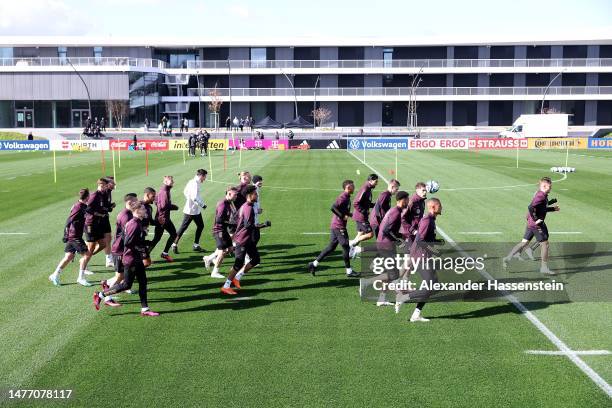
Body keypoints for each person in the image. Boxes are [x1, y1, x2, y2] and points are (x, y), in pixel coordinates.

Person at [93, 201, 160, 316]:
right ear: (137, 211)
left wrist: (144, 243)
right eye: (144, 209)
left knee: (143, 282)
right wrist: (142, 246)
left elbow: (128, 238)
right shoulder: (134, 224)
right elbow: (128, 242)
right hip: (131, 259)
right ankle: (100, 295)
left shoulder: (136, 222)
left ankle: (145, 309)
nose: (146, 211)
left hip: (136, 258)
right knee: (126, 285)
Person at [395, 198, 445, 322]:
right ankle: (403, 297)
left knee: (435, 286)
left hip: (424, 256)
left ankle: (416, 314)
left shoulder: (431, 220)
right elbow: (420, 241)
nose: (442, 207)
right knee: (431, 286)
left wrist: (437, 242)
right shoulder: (427, 220)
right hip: (420, 257)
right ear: (433, 207)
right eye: (440, 205)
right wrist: (435, 251)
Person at [361, 191, 410, 306]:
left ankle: (381, 298)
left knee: (390, 273)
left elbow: (391, 230)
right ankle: (366, 282)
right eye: (407, 200)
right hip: (386, 245)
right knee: (394, 274)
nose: (408, 202)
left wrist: (401, 236)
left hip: (386, 244)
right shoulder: (396, 213)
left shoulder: (395, 211)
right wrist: (398, 241)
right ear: (402, 200)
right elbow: (387, 230)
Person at [503, 177, 560, 274]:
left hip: (531, 223)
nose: (551, 188)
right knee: (545, 244)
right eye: (549, 186)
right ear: (544, 186)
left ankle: (508, 258)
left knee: (524, 243)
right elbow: (531, 207)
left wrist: (552, 209)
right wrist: (536, 219)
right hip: (536, 224)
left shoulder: (542, 194)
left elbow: (541, 208)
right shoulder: (541, 196)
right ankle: (544, 268)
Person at [220, 185, 271, 295]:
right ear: (249, 195)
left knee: (256, 259)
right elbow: (248, 225)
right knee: (238, 263)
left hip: (248, 239)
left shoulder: (246, 206)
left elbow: (235, 218)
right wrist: (263, 225)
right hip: (242, 240)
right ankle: (226, 286)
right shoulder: (248, 208)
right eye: (255, 194)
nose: (257, 195)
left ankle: (237, 277)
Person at [308, 180, 359, 277]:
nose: (354, 188)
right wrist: (342, 216)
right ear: (348, 187)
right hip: (339, 226)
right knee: (346, 247)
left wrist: (353, 215)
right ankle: (349, 271)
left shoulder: (347, 197)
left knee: (331, 247)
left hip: (335, 225)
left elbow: (343, 210)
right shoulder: (343, 197)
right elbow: (333, 207)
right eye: (353, 186)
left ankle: (313, 264)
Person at [49, 188, 94, 287]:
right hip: (74, 236)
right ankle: (81, 278)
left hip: (74, 235)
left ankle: (55, 275)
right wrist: (66, 234)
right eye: (89, 195)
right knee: (87, 255)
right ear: (87, 197)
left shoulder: (82, 206)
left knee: (68, 257)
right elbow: (69, 220)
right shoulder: (78, 207)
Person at [100, 193, 139, 303]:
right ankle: (106, 296)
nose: (138, 203)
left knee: (122, 276)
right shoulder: (125, 216)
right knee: (119, 277)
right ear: (130, 202)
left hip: (121, 248)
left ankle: (108, 283)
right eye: (135, 201)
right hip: (120, 250)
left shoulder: (128, 213)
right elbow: (127, 236)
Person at [203, 186, 238, 279]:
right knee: (222, 252)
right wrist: (232, 223)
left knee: (230, 249)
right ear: (229, 194)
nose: (236, 197)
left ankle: (209, 258)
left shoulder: (229, 203)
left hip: (224, 230)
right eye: (235, 195)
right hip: (218, 231)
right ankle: (215, 272)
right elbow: (219, 220)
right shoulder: (223, 204)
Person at [171, 169, 208, 254]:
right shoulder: (195, 183)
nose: (205, 179)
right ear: (201, 176)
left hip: (193, 209)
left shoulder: (192, 181)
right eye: (205, 177)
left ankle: (195, 245)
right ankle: (174, 244)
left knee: (199, 226)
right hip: (191, 210)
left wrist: (189, 199)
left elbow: (185, 192)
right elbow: (194, 197)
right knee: (184, 227)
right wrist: (203, 205)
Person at [349, 174, 379, 258]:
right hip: (361, 217)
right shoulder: (365, 188)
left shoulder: (369, 188)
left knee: (360, 234)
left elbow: (366, 203)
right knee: (370, 234)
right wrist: (364, 211)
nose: (377, 183)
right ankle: (351, 243)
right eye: (376, 181)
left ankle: (350, 253)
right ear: (370, 180)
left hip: (361, 216)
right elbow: (355, 202)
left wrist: (375, 205)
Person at [149, 176, 179, 262]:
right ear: (165, 182)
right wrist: (174, 207)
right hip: (163, 219)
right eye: (171, 182)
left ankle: (146, 255)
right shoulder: (164, 191)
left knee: (157, 238)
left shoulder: (164, 190)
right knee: (173, 234)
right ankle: (163, 254)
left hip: (162, 217)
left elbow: (156, 201)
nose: (173, 183)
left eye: (173, 181)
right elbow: (163, 206)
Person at [84, 178, 110, 272]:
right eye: (102, 185)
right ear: (99, 185)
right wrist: (100, 214)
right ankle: (84, 264)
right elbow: (88, 209)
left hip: (98, 224)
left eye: (105, 186)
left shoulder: (103, 194)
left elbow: (101, 207)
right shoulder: (94, 195)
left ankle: (86, 257)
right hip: (90, 224)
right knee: (91, 247)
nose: (104, 187)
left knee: (103, 244)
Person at [100, 177, 117, 268]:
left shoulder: (108, 192)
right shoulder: (103, 193)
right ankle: (83, 257)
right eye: (113, 183)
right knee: (94, 243)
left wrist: (110, 205)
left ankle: (108, 259)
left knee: (108, 238)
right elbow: (101, 207)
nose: (114, 184)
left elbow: (105, 206)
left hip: (105, 218)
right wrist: (110, 208)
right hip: (98, 220)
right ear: (108, 184)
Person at [140, 187, 156, 268]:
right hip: (136, 238)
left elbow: (151, 221)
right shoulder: (138, 206)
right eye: (153, 196)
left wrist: (159, 222)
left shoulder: (149, 208)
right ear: (147, 195)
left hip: (142, 237)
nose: (154, 198)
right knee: (146, 263)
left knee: (147, 262)